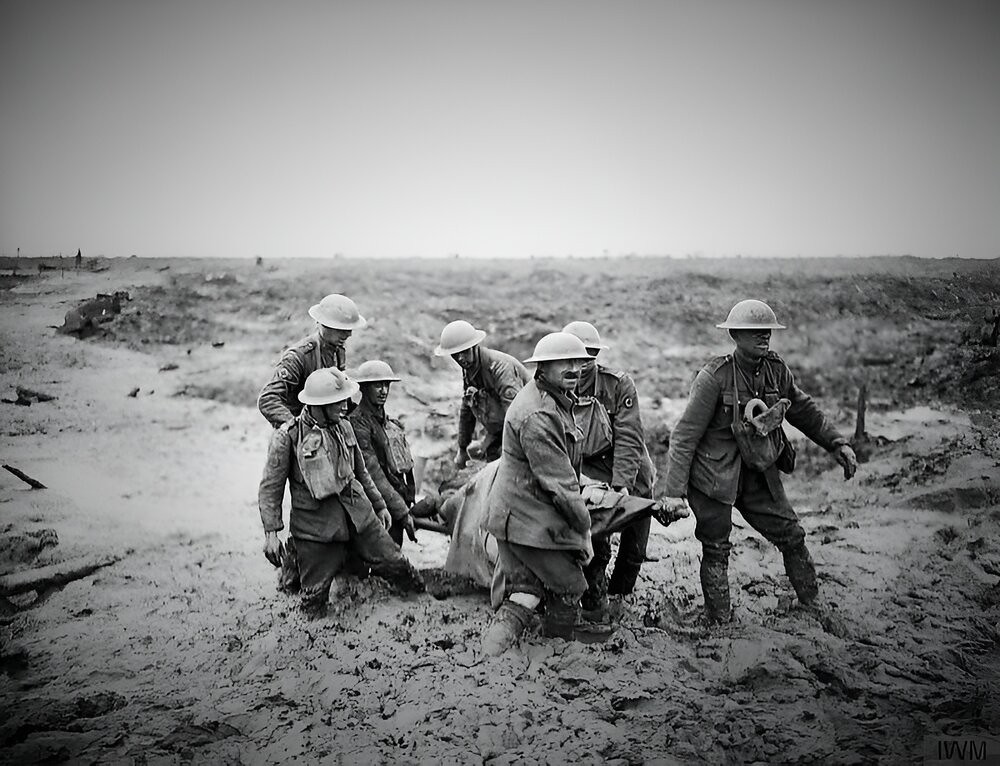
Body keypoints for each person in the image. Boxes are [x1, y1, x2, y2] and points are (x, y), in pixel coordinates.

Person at [663, 300, 858, 624]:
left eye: (767, 331)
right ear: (735, 335)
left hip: (759, 472)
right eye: (755, 332)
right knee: (715, 546)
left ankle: (811, 605)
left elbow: (803, 410)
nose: (764, 337)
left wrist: (837, 444)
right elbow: (684, 436)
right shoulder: (715, 377)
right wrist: (673, 493)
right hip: (713, 477)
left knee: (792, 535)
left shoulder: (776, 371)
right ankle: (718, 620)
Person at [481, 332, 612, 656]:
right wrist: (583, 532)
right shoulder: (538, 413)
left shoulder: (554, 399)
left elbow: (563, 468)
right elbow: (560, 485)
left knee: (527, 592)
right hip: (525, 517)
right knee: (571, 585)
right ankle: (558, 650)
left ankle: (492, 654)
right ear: (542, 368)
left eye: (578, 362)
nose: (574, 368)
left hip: (517, 511)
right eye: (563, 362)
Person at [258, 368, 424, 618]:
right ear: (319, 405)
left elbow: (362, 472)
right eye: (337, 403)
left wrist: (379, 506)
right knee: (313, 602)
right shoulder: (288, 437)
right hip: (316, 531)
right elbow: (271, 487)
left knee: (398, 565)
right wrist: (271, 534)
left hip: (360, 518)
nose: (345, 406)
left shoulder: (345, 427)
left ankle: (423, 605)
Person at [562, 321, 656, 621]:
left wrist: (622, 485)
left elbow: (629, 437)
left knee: (634, 541)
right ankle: (593, 597)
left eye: (590, 356)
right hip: (586, 467)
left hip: (627, 466)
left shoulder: (617, 385)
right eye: (576, 357)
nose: (583, 364)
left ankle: (621, 594)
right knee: (593, 535)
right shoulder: (557, 385)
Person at [258, 293, 366, 428]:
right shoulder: (298, 357)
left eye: (349, 329)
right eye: (341, 329)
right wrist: (295, 427)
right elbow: (268, 399)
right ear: (324, 324)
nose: (348, 334)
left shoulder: (338, 351)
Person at [433, 320, 530, 466]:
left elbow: (515, 416)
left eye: (464, 352)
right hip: (500, 431)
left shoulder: (500, 368)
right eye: (455, 354)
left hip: (525, 430)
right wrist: (462, 448)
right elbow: (467, 409)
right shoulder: (470, 369)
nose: (460, 359)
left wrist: (507, 451)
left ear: (474, 347)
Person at [348, 360, 419, 547]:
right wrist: (402, 511)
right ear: (363, 388)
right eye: (377, 385)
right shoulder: (358, 424)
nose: (384, 391)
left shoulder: (389, 423)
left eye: (386, 385)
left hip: (394, 501)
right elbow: (372, 472)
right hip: (375, 505)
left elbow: (404, 467)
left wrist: (409, 499)